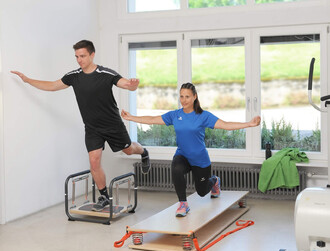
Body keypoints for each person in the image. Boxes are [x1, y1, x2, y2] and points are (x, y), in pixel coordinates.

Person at [11, 40, 150, 211]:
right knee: (94, 161)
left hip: (113, 125)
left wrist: (133, 86)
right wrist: (27, 80)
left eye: (83, 56)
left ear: (92, 55)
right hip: (92, 128)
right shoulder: (74, 76)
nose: (79, 60)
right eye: (77, 56)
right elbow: (53, 86)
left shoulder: (105, 73)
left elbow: (125, 84)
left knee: (128, 150)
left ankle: (144, 152)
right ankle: (105, 197)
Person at [121, 82, 261, 217]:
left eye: (187, 96)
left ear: (194, 96)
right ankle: (183, 203)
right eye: (181, 96)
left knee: (201, 192)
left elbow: (225, 124)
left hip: (200, 159)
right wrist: (131, 117)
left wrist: (249, 124)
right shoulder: (175, 115)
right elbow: (152, 119)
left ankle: (214, 181)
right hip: (182, 155)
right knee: (176, 168)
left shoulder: (203, 116)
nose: (184, 100)